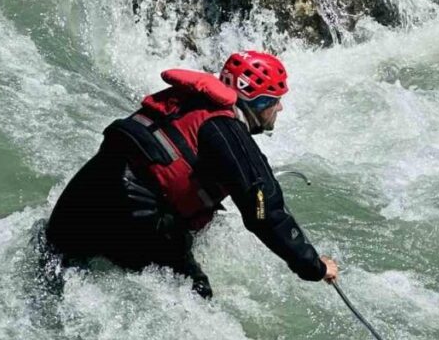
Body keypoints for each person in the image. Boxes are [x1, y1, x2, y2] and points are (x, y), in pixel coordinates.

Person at [41, 51, 339, 298]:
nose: (281, 107)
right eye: (275, 99)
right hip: (133, 211)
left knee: (51, 281)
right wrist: (313, 265)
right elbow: (263, 211)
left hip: (82, 196)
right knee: (193, 295)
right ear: (258, 102)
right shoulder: (226, 130)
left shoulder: (187, 100)